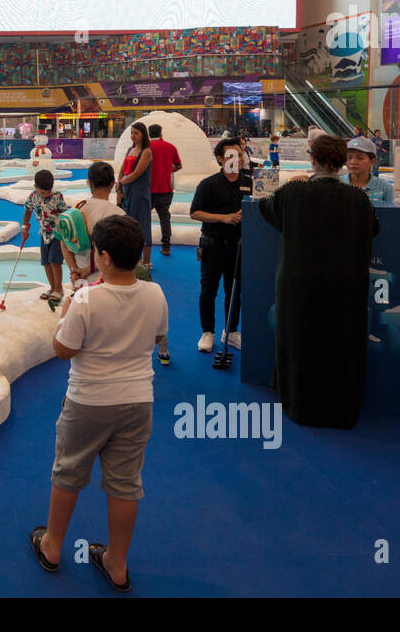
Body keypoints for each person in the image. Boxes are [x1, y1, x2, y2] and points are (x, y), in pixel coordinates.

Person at [30, 215, 168, 593]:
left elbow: (63, 350)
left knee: (69, 470)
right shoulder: (155, 293)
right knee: (125, 482)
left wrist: (63, 317)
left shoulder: (85, 298)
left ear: (102, 256)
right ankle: (117, 563)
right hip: (138, 401)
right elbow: (158, 336)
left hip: (89, 400)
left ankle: (53, 546)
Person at [257, 134, 379, 429]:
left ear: (312, 159)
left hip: (299, 286)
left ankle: (299, 404)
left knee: (299, 343)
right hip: (344, 288)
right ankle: (339, 406)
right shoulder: (358, 198)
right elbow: (373, 229)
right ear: (341, 163)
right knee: (340, 344)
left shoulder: (294, 193)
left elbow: (266, 209)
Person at [189, 138, 246, 355]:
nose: (238, 159)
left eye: (240, 154)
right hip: (212, 245)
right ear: (221, 159)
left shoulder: (251, 182)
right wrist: (223, 218)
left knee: (235, 292)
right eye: (232, 155)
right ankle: (207, 332)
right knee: (208, 291)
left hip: (239, 248)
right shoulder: (208, 184)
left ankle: (230, 331)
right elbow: (195, 213)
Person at [22, 169, 69, 303]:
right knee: (46, 262)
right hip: (43, 234)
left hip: (57, 234)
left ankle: (59, 289)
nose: (46, 194)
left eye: (48, 191)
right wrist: (24, 227)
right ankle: (52, 287)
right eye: (42, 192)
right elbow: (27, 211)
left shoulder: (57, 196)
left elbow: (65, 214)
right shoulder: (33, 196)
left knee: (55, 261)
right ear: (35, 187)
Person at [116, 122, 155, 269]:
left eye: (136, 133)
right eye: (131, 133)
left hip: (139, 192)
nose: (133, 136)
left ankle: (147, 261)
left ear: (143, 134)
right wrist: (119, 187)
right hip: (127, 189)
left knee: (142, 224)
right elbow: (122, 170)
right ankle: (135, 258)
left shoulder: (147, 152)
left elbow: (137, 174)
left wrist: (121, 184)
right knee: (129, 224)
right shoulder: (130, 150)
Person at [147, 124, 182, 256]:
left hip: (149, 191)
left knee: (143, 219)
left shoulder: (146, 147)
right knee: (165, 218)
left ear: (149, 134)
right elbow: (179, 166)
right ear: (161, 133)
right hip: (166, 190)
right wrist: (168, 170)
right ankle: (166, 247)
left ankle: (142, 247)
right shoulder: (170, 147)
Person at [342, 137, 393, 205]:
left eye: (360, 158)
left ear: (372, 161)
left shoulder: (385, 188)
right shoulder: (336, 184)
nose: (353, 162)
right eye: (349, 157)